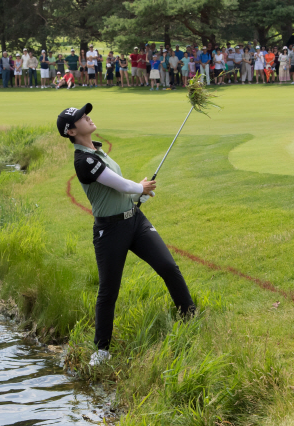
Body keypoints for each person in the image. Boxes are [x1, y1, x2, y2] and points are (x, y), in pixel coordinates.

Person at [56, 103, 196, 367]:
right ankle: (101, 350)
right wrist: (138, 187)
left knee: (168, 266)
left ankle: (189, 316)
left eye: (86, 114)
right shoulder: (83, 160)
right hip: (109, 231)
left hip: (135, 222)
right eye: (80, 118)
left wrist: (139, 193)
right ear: (71, 131)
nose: (87, 117)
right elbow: (118, 183)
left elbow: (121, 191)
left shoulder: (98, 151)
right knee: (109, 290)